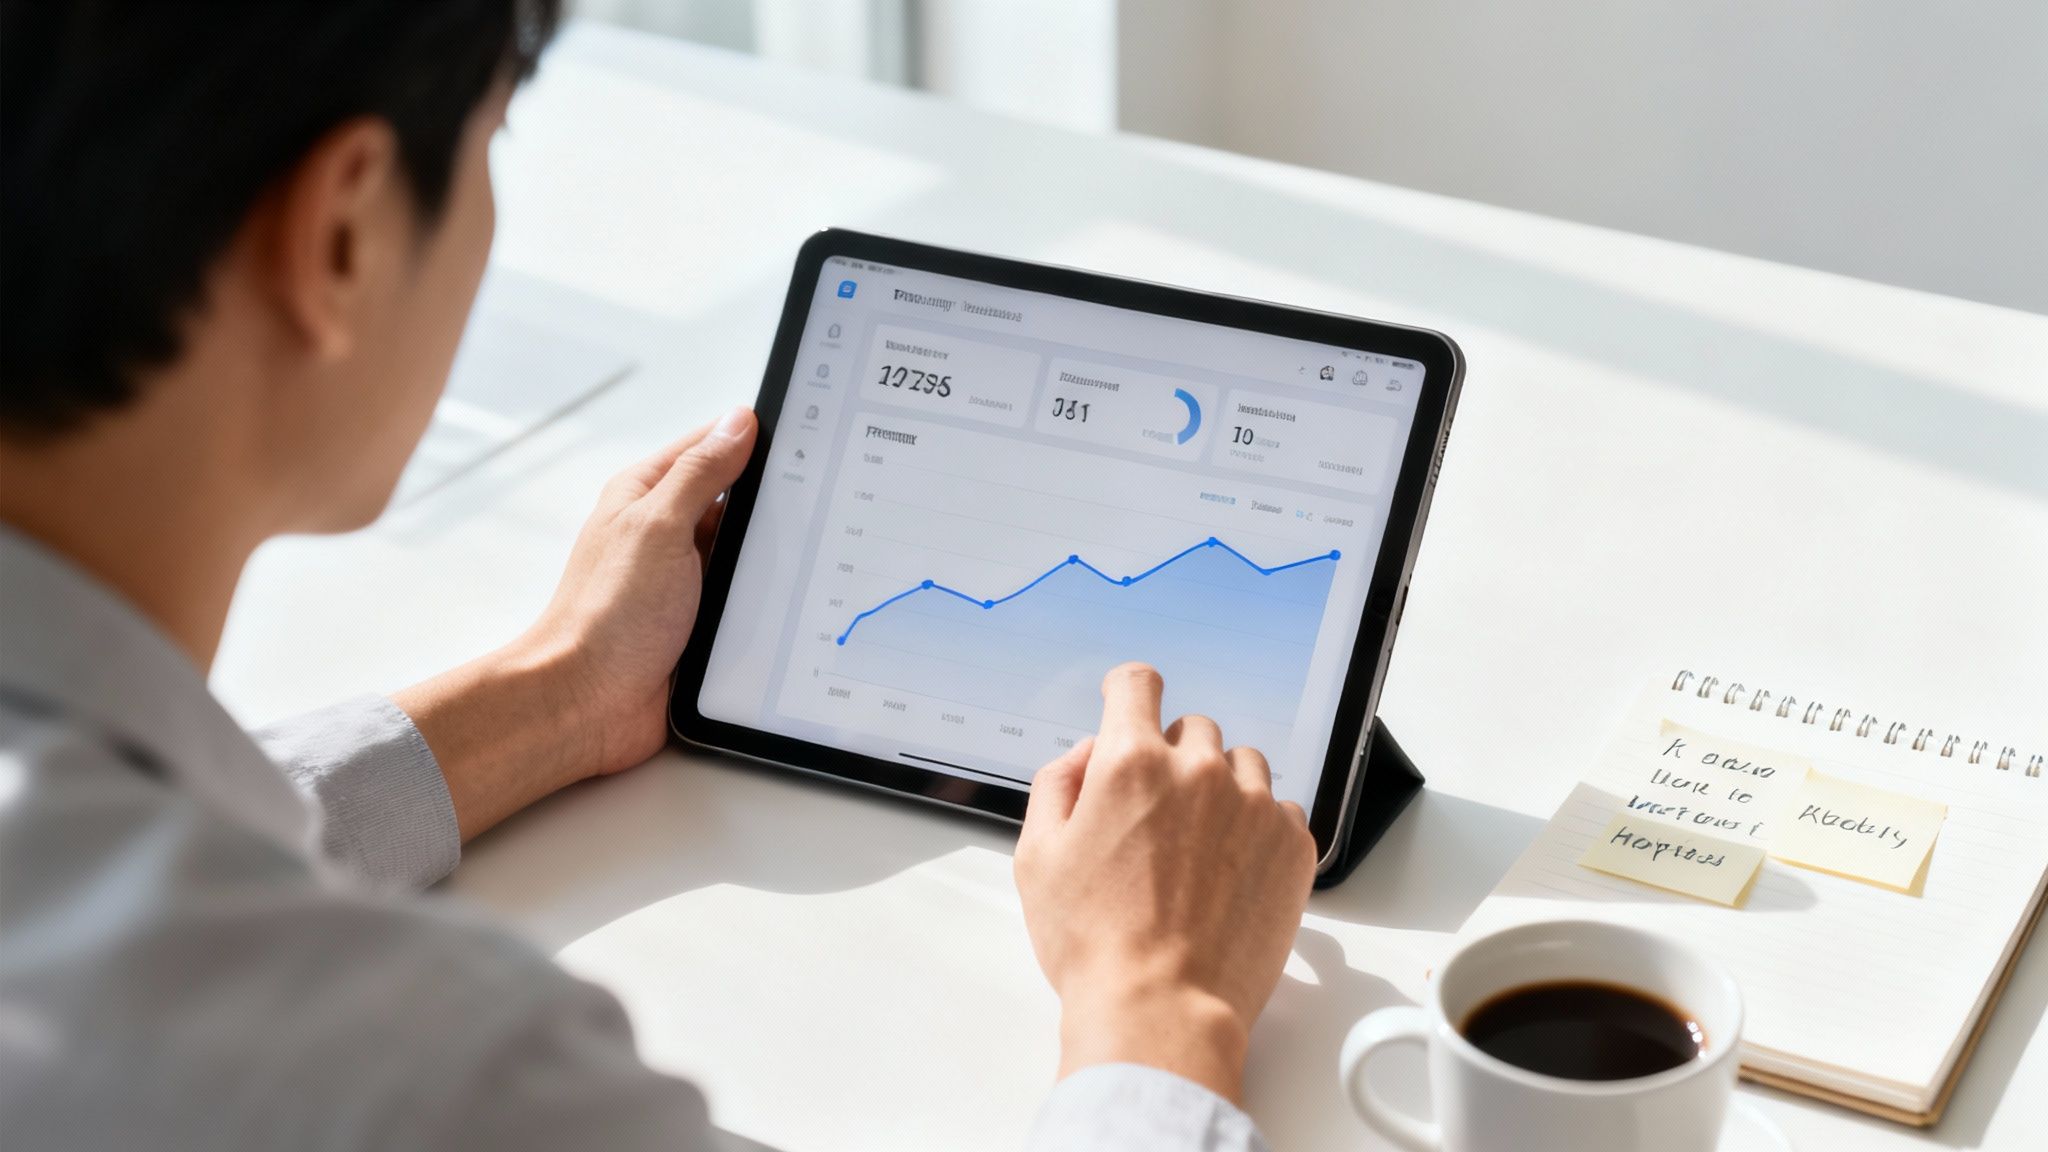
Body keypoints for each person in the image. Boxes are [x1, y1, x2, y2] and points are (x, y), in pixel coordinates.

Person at [0, 4, 1318, 1149]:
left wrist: (558, 693)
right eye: (490, 143)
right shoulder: (435, 1083)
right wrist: (1159, 999)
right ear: (341, 230)